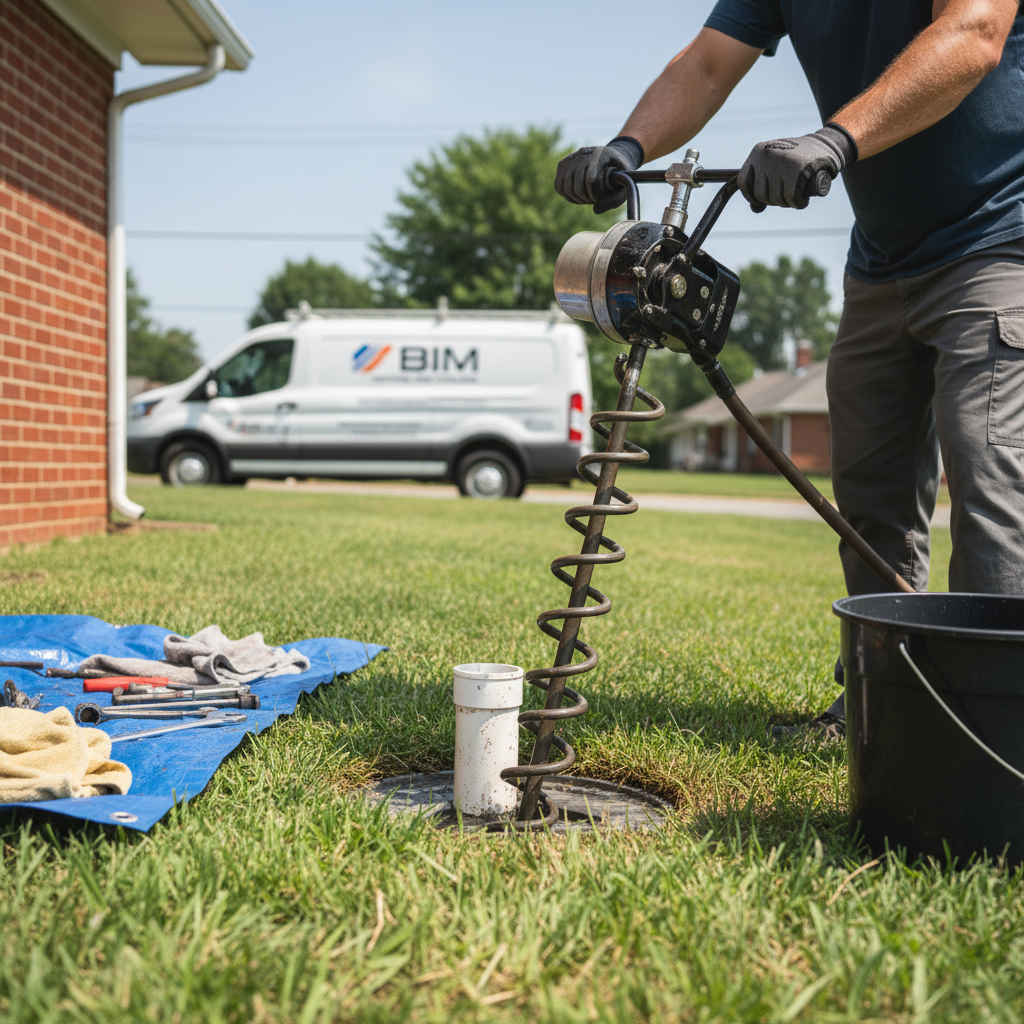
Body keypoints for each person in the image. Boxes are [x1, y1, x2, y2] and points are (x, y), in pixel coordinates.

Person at [554, 0, 1024, 739]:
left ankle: (990, 736)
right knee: (870, 496)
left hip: (998, 238)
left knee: (989, 484)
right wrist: (627, 146)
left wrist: (834, 138)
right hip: (881, 261)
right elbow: (707, 64)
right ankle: (882, 710)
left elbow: (973, 34)